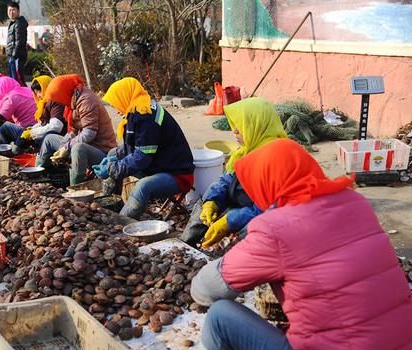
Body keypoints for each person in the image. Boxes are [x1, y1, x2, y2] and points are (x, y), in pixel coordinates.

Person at [152, 139, 412, 350]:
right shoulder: (355, 202)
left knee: (221, 314)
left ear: (265, 184)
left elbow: (205, 291)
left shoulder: (275, 228)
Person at [180, 97, 287, 248]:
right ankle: (185, 246)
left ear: (256, 124)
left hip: (265, 216)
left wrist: (231, 220)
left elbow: (269, 210)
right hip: (240, 205)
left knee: (252, 230)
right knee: (203, 207)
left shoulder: (279, 157)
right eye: (234, 125)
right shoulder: (245, 151)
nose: (235, 130)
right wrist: (212, 201)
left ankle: (235, 264)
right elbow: (226, 180)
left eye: (241, 125)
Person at [97, 77, 194, 219]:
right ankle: (111, 204)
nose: (115, 109)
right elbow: (131, 147)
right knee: (113, 154)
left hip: (177, 174)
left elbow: (142, 158)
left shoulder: (145, 115)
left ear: (125, 97)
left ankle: (121, 222)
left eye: (115, 104)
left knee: (143, 187)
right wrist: (112, 159)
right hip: (157, 164)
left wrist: (113, 168)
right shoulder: (137, 109)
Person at [37, 74, 116, 185]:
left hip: (102, 151)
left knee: (77, 148)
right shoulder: (72, 100)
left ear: (63, 93)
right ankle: (37, 177)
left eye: (58, 97)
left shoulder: (86, 100)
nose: (59, 102)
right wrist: (63, 147)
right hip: (87, 144)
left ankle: (75, 189)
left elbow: (89, 133)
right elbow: (73, 131)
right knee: (49, 139)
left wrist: (67, 147)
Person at [13, 75, 67, 154]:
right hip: (49, 130)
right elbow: (43, 123)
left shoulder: (56, 102)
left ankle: (42, 160)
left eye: (39, 91)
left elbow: (56, 127)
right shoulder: (44, 103)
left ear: (48, 87)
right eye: (36, 92)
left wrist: (33, 133)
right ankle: (17, 150)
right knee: (26, 129)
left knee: (46, 136)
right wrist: (32, 129)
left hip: (59, 136)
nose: (38, 95)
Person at [6, 1, 28, 85]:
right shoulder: (13, 23)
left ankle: (25, 97)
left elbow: (20, 41)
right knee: (13, 79)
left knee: (18, 80)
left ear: (18, 11)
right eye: (9, 10)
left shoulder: (19, 23)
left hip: (17, 56)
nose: (11, 12)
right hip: (13, 55)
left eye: (13, 10)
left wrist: (14, 56)